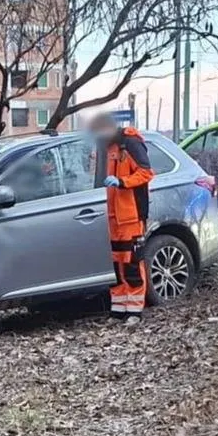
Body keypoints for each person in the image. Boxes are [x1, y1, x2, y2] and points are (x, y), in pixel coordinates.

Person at [89, 114, 155, 318]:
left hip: (131, 214)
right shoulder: (109, 148)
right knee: (116, 261)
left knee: (132, 260)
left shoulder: (131, 143)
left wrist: (122, 181)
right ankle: (119, 306)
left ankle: (135, 309)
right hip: (113, 215)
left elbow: (146, 173)